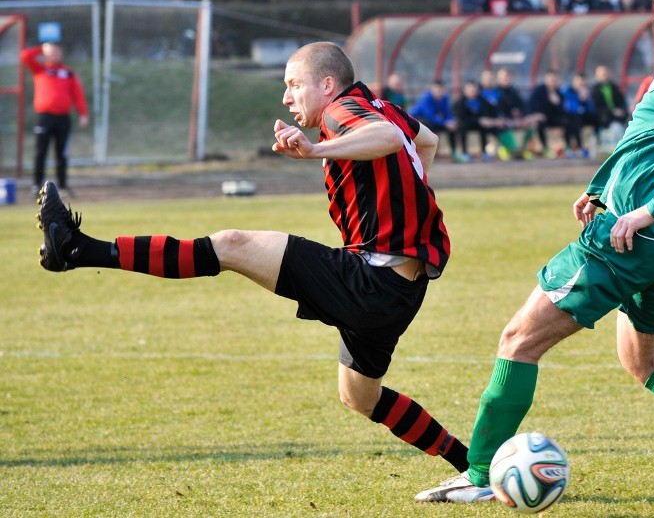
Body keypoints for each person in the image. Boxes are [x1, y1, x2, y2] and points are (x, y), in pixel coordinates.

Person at [415, 0, 654, 504]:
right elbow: (651, 143)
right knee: (642, 361)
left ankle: (482, 474)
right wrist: (601, 186)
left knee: (518, 340)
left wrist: (642, 211)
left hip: (626, 243)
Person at [34, 41, 470, 479]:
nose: (286, 97)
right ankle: (470, 464)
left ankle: (77, 248)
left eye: (293, 84)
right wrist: (403, 196)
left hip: (371, 281)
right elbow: (424, 141)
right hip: (401, 289)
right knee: (360, 397)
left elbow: (392, 139)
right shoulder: (382, 105)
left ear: (327, 84)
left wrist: (315, 151)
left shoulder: (340, 112)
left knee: (232, 244)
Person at [20, 43, 89, 197]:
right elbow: (25, 55)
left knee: (62, 153)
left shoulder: (68, 73)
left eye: (56, 53)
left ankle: (63, 186)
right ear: (46, 54)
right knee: (40, 152)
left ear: (61, 54)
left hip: (63, 119)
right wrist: (41, 48)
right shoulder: (40, 69)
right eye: (51, 53)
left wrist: (83, 114)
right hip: (45, 118)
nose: (54, 55)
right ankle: (36, 185)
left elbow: (78, 95)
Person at [409, 80, 459, 156]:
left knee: (451, 128)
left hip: (433, 121)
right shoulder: (427, 98)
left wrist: (451, 121)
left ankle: (454, 153)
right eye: (437, 90)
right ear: (432, 89)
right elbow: (430, 116)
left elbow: (447, 113)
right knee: (430, 126)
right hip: (416, 121)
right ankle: (427, 153)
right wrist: (445, 123)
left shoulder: (444, 98)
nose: (439, 92)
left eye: (441, 90)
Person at [527, 70, 568, 159]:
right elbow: (531, 105)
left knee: (569, 121)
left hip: (554, 118)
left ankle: (568, 147)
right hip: (541, 118)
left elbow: (563, 110)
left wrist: (557, 103)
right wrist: (537, 114)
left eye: (554, 80)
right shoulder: (539, 91)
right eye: (550, 79)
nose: (552, 82)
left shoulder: (559, 92)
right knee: (540, 125)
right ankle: (545, 147)